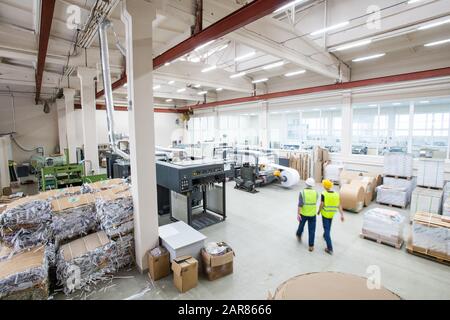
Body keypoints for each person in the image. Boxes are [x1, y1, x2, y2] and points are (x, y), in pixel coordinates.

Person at [317, 179, 344, 255]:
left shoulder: (324, 194)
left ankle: (330, 248)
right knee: (328, 227)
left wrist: (319, 211)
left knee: (327, 229)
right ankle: (325, 235)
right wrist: (342, 215)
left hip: (325, 214)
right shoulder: (336, 194)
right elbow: (339, 205)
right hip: (332, 214)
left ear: (325, 186)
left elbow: (322, 204)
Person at [296, 177, 318, 252]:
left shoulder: (302, 192)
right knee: (312, 230)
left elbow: (300, 204)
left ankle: (298, 234)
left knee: (301, 226)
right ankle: (311, 246)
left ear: (306, 184)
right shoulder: (316, 192)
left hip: (304, 214)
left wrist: (298, 214)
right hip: (312, 214)